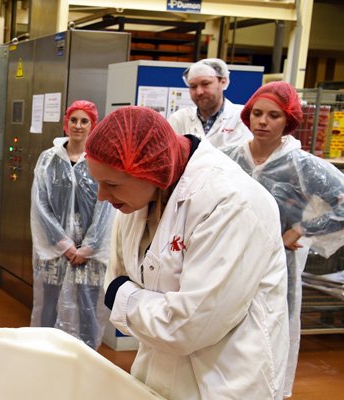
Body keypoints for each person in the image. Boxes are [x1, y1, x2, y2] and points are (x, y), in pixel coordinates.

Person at [89, 106, 289, 399]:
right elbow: (116, 277)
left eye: (111, 184)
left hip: (224, 381)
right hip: (156, 370)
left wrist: (125, 297)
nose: (102, 196)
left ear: (151, 170)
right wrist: (144, 304)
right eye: (98, 182)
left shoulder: (232, 203)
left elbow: (189, 328)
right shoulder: (137, 199)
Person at [221, 81, 344, 397]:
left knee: (269, 330)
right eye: (257, 113)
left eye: (273, 115)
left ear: (288, 120)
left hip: (277, 264)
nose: (262, 122)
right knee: (223, 327)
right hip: (226, 257)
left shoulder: (301, 165)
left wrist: (301, 229)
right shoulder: (227, 157)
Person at [29, 100, 113, 349]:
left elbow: (106, 207)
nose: (78, 126)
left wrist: (88, 247)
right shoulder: (49, 159)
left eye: (84, 121)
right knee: (50, 305)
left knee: (87, 306)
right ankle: (46, 353)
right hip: (55, 250)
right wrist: (63, 244)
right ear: (66, 124)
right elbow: (40, 204)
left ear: (92, 125)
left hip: (90, 254)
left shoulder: (101, 159)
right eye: (73, 120)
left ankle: (85, 356)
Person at [167, 58, 252, 147]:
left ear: (223, 82)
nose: (199, 92)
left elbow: (240, 156)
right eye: (193, 86)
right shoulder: (179, 119)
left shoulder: (242, 117)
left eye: (205, 84)